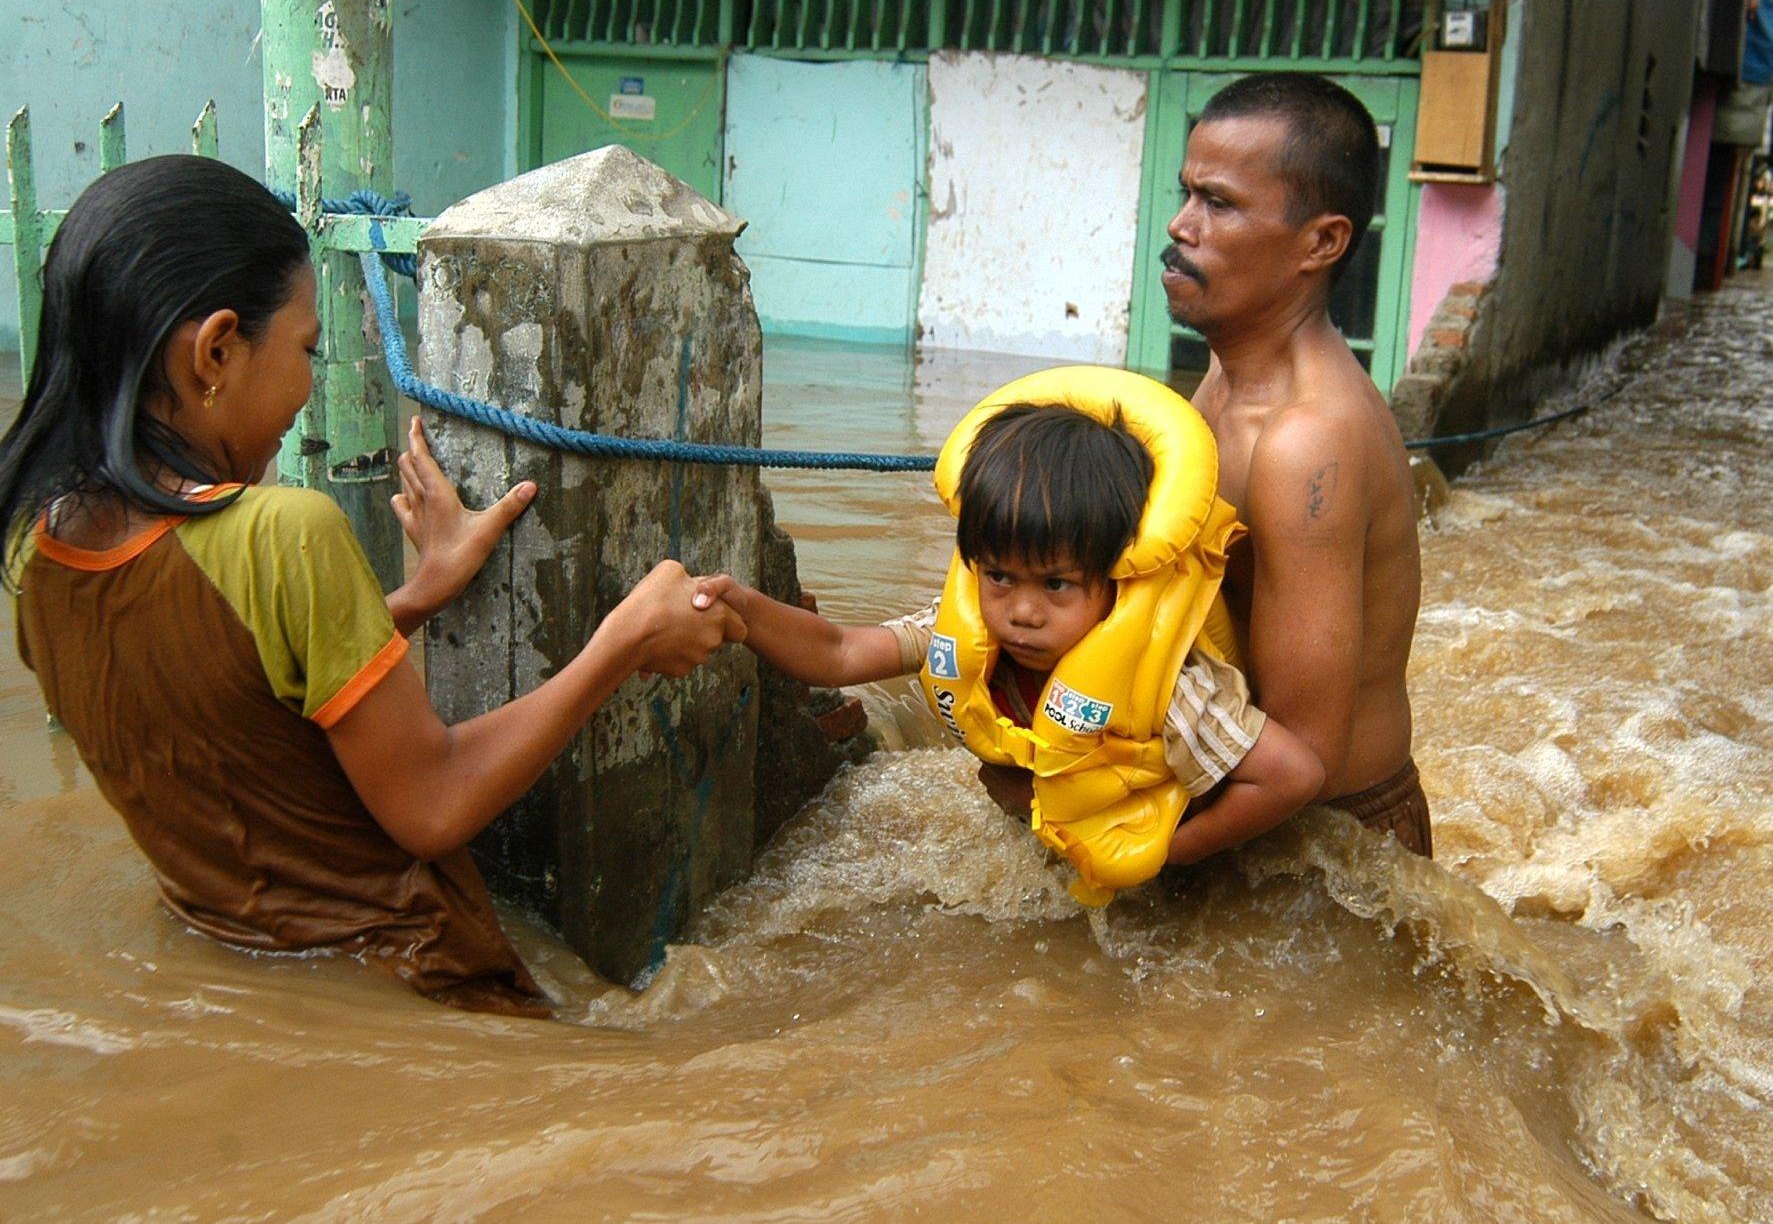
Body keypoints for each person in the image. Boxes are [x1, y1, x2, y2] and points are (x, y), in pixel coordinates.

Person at [0, 156, 743, 1015]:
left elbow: (232, 698)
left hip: (243, 981)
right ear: (215, 349)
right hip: (416, 980)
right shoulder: (285, 533)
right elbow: (433, 803)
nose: (309, 381)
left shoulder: (40, 549)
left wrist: (418, 594)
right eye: (307, 348)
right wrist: (623, 642)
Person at [694, 368, 1323, 905]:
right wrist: (743, 612)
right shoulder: (966, 632)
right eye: (999, 576)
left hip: (1175, 870)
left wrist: (1169, 855)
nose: (1021, 612)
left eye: (1056, 585)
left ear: (1115, 577)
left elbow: (1292, 775)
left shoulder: (1170, 691)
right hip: (1069, 834)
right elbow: (838, 652)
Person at [1160, 72, 1429, 855]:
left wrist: (1127, 857)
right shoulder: (1227, 376)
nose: (1181, 225)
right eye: (1186, 195)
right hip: (1248, 814)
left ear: (1322, 242)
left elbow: (1300, 760)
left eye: (1218, 203)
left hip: (1327, 850)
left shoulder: (1304, 442)